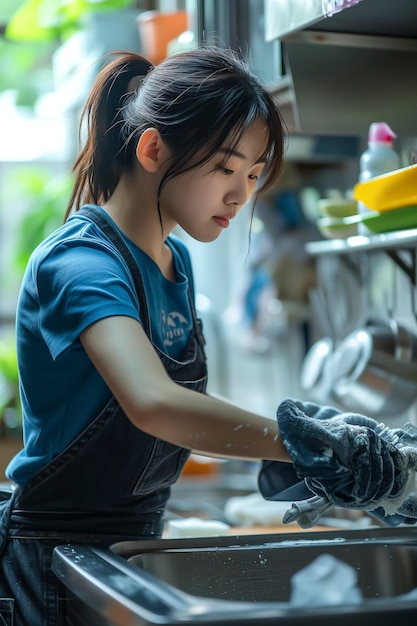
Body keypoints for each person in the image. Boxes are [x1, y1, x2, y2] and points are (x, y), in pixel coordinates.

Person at [0, 46, 290, 626]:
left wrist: (290, 447)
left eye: (254, 176)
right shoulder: (81, 261)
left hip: (127, 551)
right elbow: (153, 402)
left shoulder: (172, 263)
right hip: (54, 560)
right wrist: (300, 442)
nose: (240, 195)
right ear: (153, 148)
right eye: (226, 168)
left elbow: (185, 410)